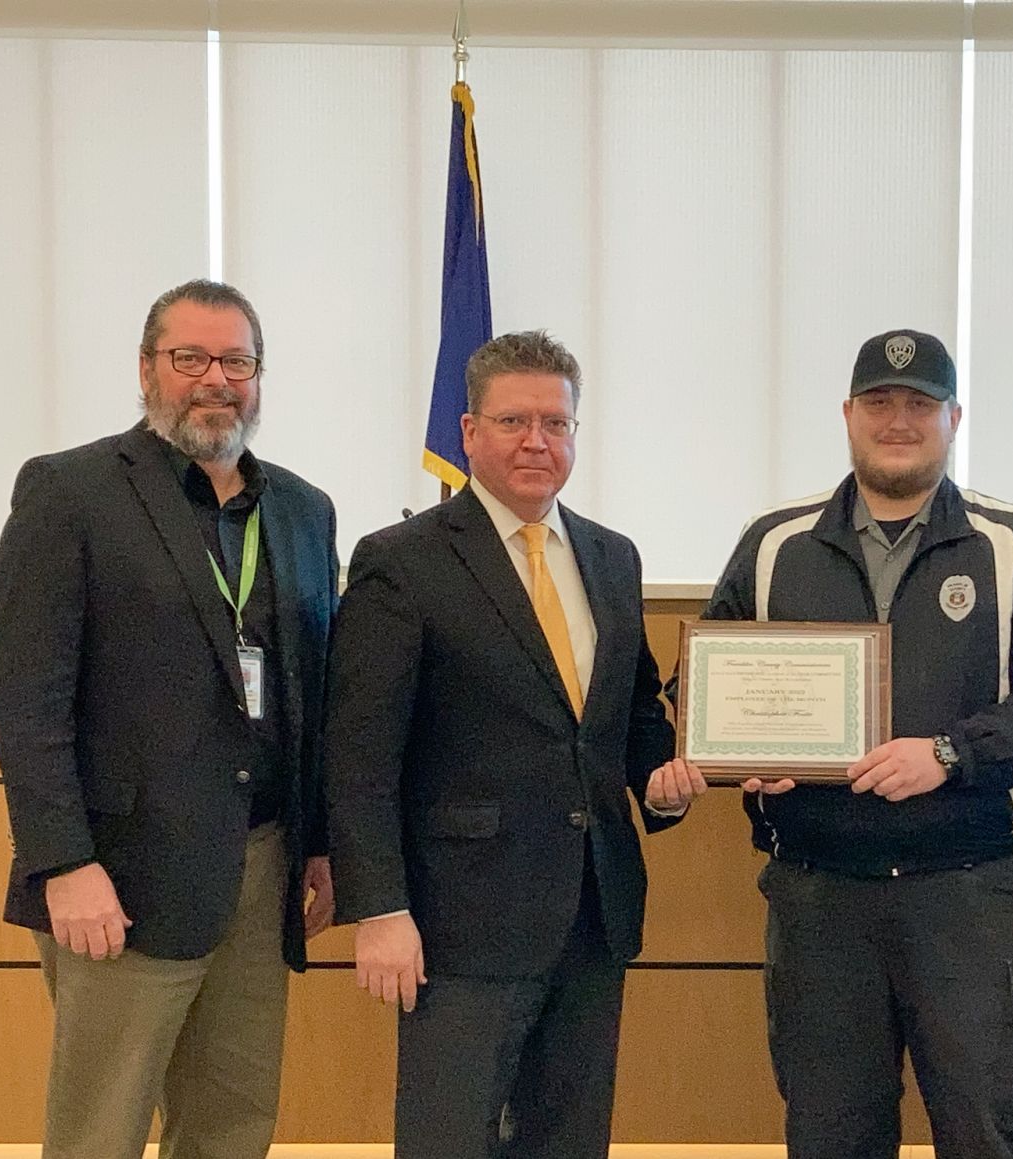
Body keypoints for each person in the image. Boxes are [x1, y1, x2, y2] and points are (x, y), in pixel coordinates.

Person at [672, 328, 1013, 1159]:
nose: (898, 419)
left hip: (972, 895)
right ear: (847, 414)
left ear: (953, 418)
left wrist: (949, 753)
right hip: (820, 900)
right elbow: (699, 687)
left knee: (991, 1134)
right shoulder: (774, 544)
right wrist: (734, 751)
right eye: (879, 402)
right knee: (832, 1138)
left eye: (919, 403)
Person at [0, 278, 340, 1159]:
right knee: (100, 1129)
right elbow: (25, 699)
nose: (214, 379)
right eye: (190, 358)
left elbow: (315, 694)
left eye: (237, 360)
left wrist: (325, 843)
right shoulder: (71, 492)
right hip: (122, 876)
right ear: (147, 370)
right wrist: (62, 861)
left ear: (260, 376)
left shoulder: (303, 510)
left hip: (264, 871)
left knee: (233, 1123)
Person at [323, 330, 687, 1159]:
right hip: (460, 921)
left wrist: (659, 780)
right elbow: (359, 753)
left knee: (569, 1141)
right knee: (448, 1139)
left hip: (593, 911)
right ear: (468, 431)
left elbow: (628, 716)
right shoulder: (401, 561)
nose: (537, 441)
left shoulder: (612, 556)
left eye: (556, 423)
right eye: (514, 419)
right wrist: (379, 908)